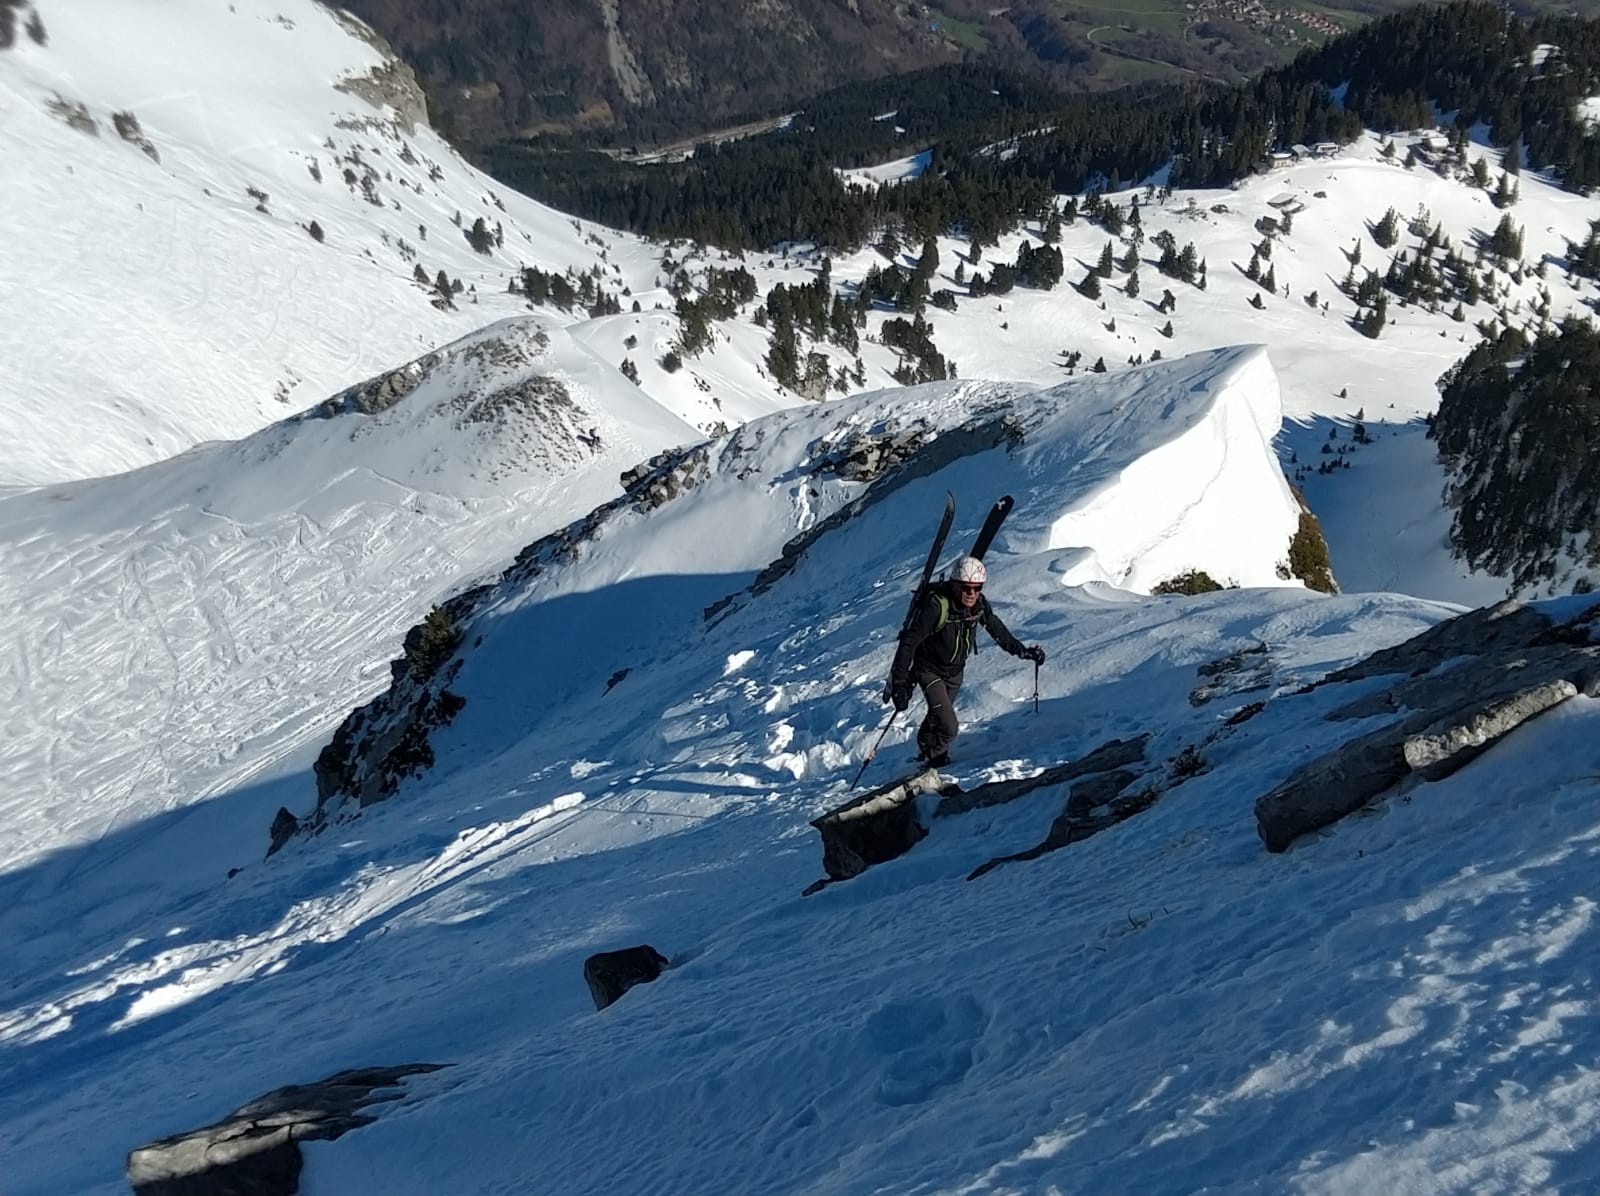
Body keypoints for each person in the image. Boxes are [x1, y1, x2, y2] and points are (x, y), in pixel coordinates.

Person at [886, 556, 1045, 767]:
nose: (972, 593)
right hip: (929, 670)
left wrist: (1024, 652)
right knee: (949, 726)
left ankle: (926, 747)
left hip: (955, 672)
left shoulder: (978, 606)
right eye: (966, 587)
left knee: (938, 717)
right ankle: (935, 758)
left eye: (977, 587)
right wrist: (899, 684)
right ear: (954, 585)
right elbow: (909, 642)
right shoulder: (937, 607)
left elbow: (998, 630)